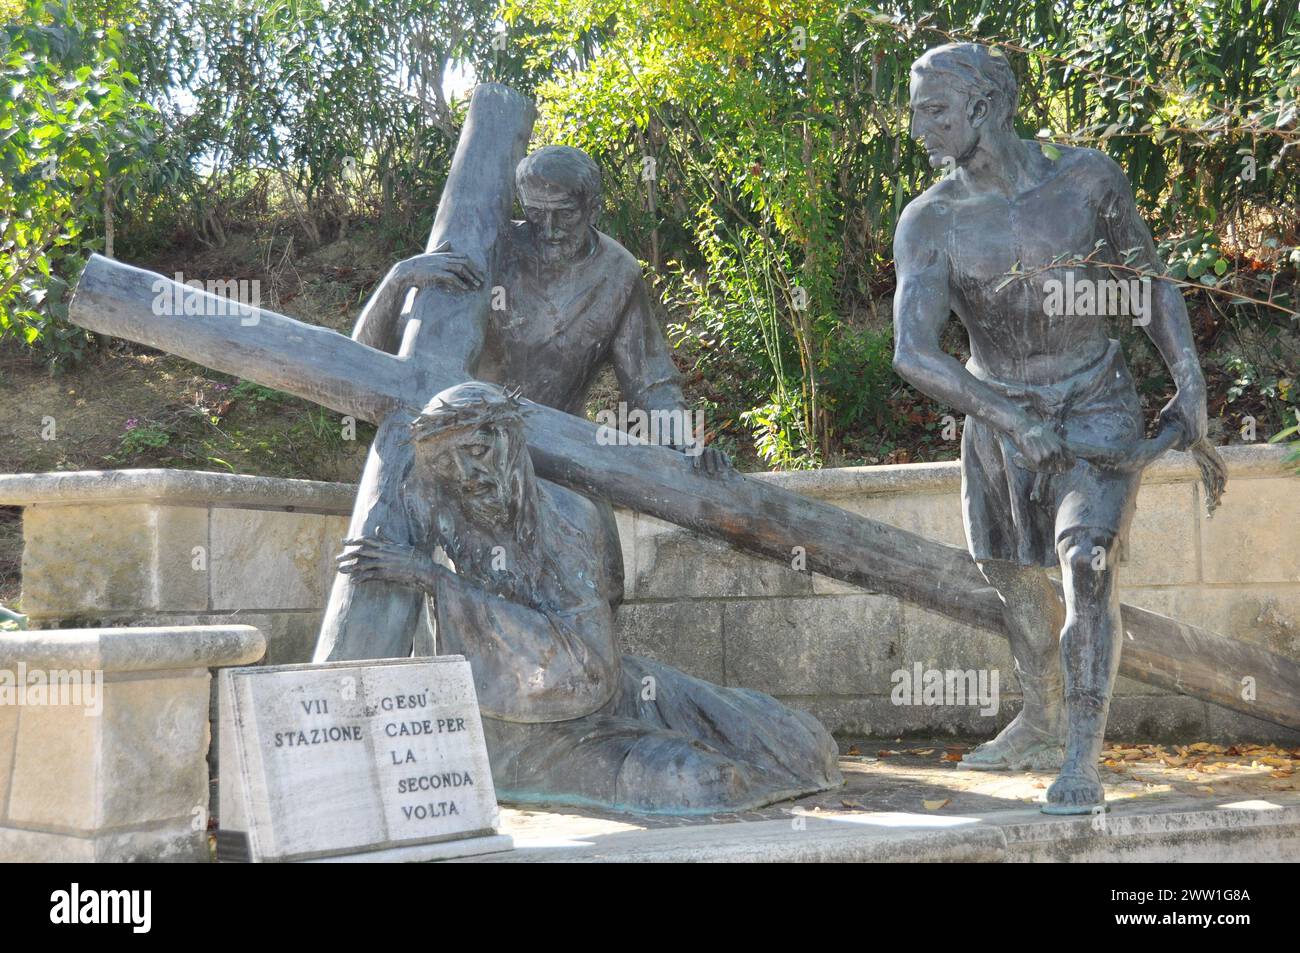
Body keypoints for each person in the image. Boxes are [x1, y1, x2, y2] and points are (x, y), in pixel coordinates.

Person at [892, 43, 1208, 813]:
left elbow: (1149, 282)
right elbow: (912, 351)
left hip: (1095, 402)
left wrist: (1190, 380)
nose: (919, 127)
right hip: (1001, 422)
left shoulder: (1086, 179)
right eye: (915, 110)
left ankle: (1079, 755)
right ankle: (1039, 714)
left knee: (1087, 565)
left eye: (935, 110)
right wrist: (1002, 416)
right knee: (1013, 580)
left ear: (987, 107)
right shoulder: (930, 221)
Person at [336, 382, 841, 813]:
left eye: (476, 451)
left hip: (606, 682)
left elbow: (593, 658)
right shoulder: (437, 507)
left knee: (793, 739)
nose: (466, 476)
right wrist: (436, 581)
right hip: (513, 724)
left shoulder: (571, 514)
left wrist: (689, 458)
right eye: (447, 463)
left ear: (509, 440)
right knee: (699, 782)